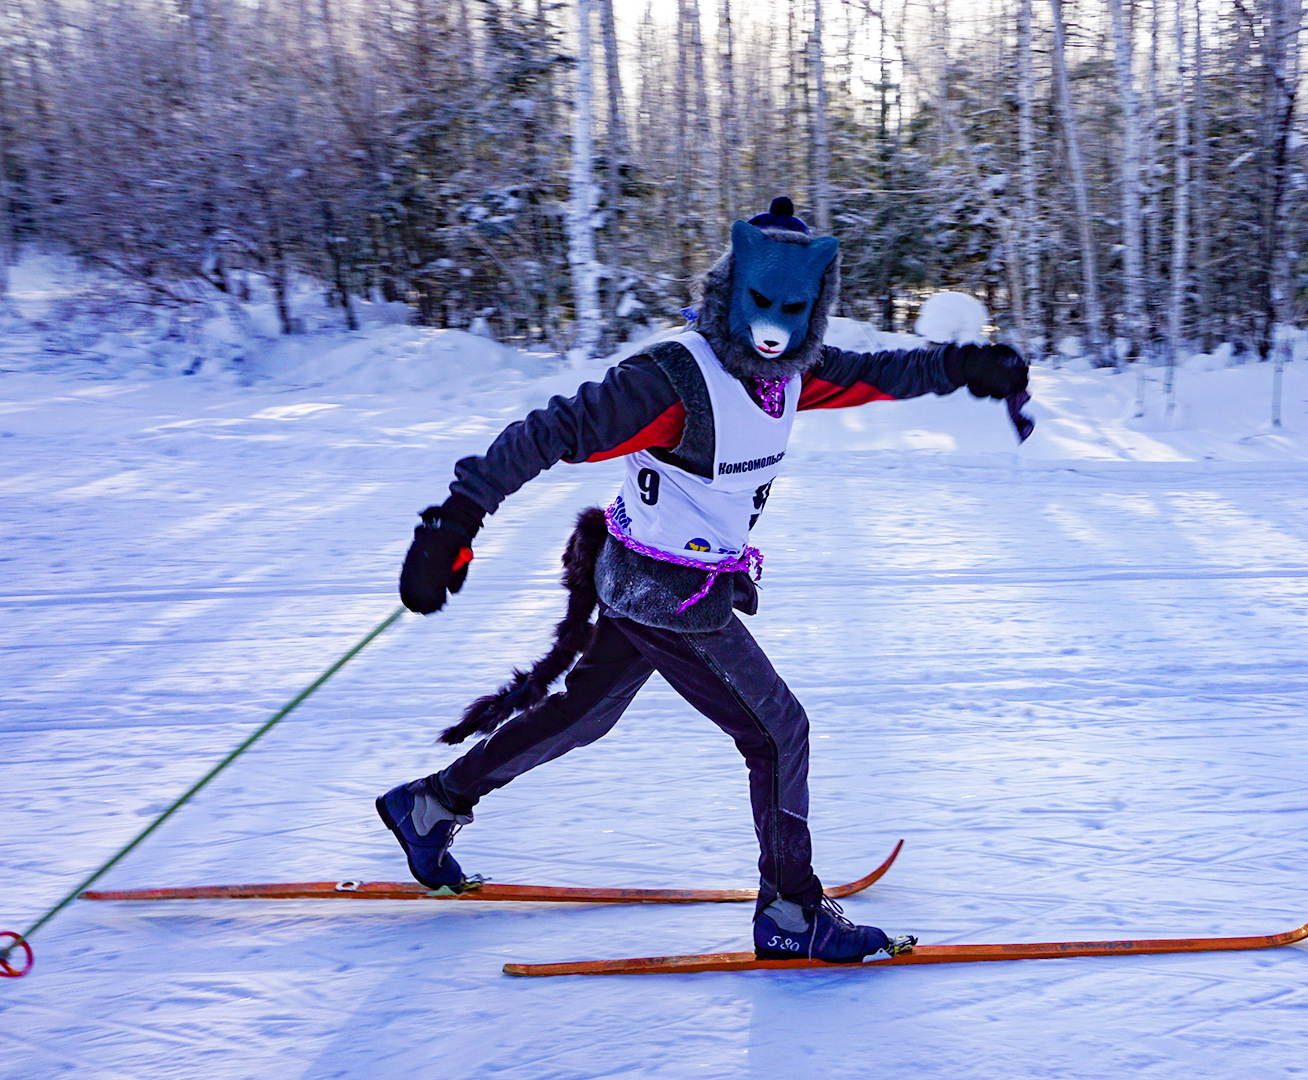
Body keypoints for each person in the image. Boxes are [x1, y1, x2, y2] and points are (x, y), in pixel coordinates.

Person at [379, 199, 1028, 963]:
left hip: (645, 575)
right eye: (760, 303)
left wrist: (963, 366)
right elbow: (551, 429)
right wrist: (455, 520)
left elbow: (876, 374)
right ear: (729, 294)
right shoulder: (672, 380)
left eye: (794, 310)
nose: (774, 325)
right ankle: (790, 911)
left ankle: (434, 804)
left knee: (583, 716)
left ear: (813, 312)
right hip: (668, 592)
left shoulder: (790, 374)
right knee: (778, 730)